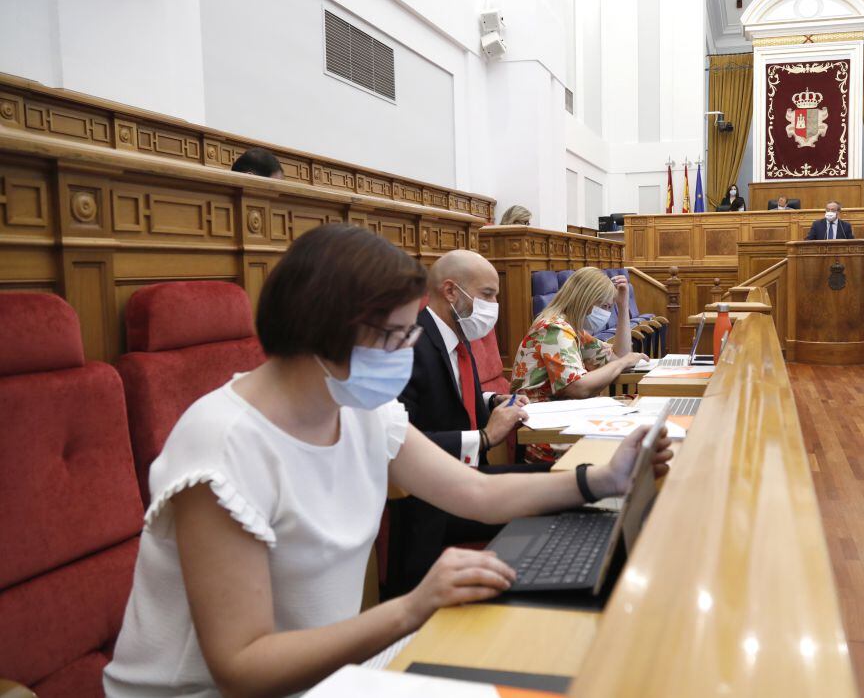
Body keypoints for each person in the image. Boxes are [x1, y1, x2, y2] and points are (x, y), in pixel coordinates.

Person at [103, 225, 672, 697]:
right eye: (398, 336)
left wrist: (604, 477)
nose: (409, 351)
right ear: (331, 331)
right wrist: (413, 607)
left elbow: (474, 492)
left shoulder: (356, 405)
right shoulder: (223, 443)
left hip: (321, 674)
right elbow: (242, 665)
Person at [395, 250, 546, 593]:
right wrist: (485, 437)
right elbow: (399, 439)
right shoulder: (410, 345)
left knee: (561, 479)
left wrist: (495, 402)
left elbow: (452, 396)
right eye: (488, 295)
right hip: (431, 498)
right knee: (552, 492)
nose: (493, 306)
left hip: (465, 476)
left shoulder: (456, 337)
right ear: (451, 291)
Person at [510, 267, 647, 463]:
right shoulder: (554, 328)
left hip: (565, 417)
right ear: (586, 300)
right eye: (605, 307)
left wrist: (623, 307)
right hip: (545, 432)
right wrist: (624, 361)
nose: (607, 314)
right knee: (630, 448)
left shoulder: (573, 328)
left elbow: (617, 357)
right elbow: (578, 388)